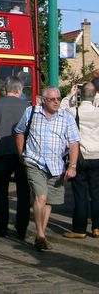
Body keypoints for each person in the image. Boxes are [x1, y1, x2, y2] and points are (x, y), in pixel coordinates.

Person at [15, 86, 81, 251]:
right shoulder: (31, 112)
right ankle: (40, 234)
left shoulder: (66, 117)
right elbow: (19, 131)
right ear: (43, 100)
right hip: (34, 162)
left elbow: (74, 142)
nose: (56, 102)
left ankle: (41, 234)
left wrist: (72, 165)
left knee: (49, 202)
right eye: (52, 99)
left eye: (58, 99)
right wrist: (21, 154)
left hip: (56, 166)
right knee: (41, 197)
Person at [0, 76, 30, 239]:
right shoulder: (27, 106)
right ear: (19, 90)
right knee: (23, 192)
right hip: (22, 153)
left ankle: (1, 227)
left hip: (2, 153)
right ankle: (21, 229)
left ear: (6, 89)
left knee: (1, 192)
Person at [61, 83, 99, 238]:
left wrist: (70, 95)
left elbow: (61, 108)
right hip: (97, 156)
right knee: (97, 192)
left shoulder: (73, 111)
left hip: (80, 157)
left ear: (80, 95)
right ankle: (97, 227)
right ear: (95, 95)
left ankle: (79, 229)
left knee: (80, 193)